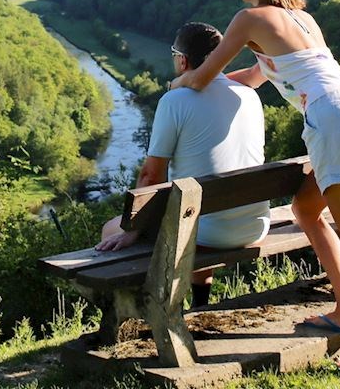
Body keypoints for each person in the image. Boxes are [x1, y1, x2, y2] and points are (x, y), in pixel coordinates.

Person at [168, 0, 340, 378]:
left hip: (334, 121)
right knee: (306, 210)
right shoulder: (302, 20)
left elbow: (202, 77)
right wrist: (209, 83)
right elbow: (254, 79)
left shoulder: (250, 19)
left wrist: (179, 82)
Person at [96, 21, 270, 308]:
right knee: (200, 212)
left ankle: (139, 311)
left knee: (110, 230)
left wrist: (133, 229)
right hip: (254, 225)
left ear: (182, 59)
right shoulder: (249, 96)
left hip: (205, 232)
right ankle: (200, 304)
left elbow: (151, 175)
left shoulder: (174, 101)